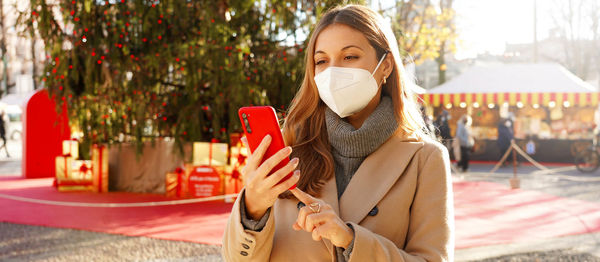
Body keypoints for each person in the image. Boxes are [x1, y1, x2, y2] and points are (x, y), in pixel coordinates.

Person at [222, 5, 454, 262]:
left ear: (385, 65)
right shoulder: (288, 146)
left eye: (350, 57)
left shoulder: (424, 158)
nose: (333, 72)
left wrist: (349, 240)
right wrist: (252, 208)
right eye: (321, 61)